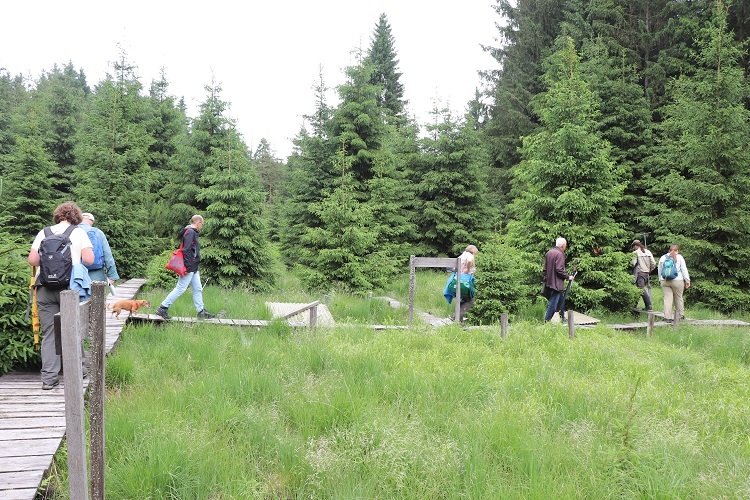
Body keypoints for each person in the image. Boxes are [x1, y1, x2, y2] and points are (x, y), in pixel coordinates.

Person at [28, 202, 94, 390]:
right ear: (77, 217)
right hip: (70, 289)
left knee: (49, 333)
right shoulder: (79, 232)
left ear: (58, 216)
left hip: (45, 289)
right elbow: (89, 260)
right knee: (74, 330)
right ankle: (79, 370)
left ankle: (49, 378)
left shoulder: (44, 232)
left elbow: (32, 260)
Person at [155, 215, 215, 320]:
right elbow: (186, 250)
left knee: (197, 288)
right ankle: (162, 308)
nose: (202, 226)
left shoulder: (191, 232)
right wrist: (187, 267)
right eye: (202, 224)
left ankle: (201, 311)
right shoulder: (191, 232)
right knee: (180, 288)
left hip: (194, 266)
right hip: (190, 266)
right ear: (198, 222)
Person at [79, 212, 120, 286]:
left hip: (76, 273)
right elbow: (108, 255)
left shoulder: (73, 231)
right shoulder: (97, 232)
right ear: (92, 221)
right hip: (97, 274)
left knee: (75, 296)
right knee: (97, 296)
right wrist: (112, 276)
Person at [543, 237, 575, 324]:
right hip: (557, 284)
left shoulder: (549, 253)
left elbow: (545, 269)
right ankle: (546, 322)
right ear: (563, 246)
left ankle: (562, 317)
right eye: (566, 245)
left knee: (561, 300)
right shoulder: (560, 254)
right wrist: (568, 277)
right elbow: (559, 270)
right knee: (553, 304)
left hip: (549, 282)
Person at [658, 244, 691, 321]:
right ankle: (680, 316)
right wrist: (687, 280)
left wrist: (660, 279)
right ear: (677, 250)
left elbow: (659, 269)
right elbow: (684, 269)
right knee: (678, 297)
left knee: (667, 298)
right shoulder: (679, 257)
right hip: (677, 280)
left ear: (669, 250)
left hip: (665, 280)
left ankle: (667, 317)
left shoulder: (663, 257)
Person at [631, 239, 656, 311]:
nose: (633, 248)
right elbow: (653, 264)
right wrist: (649, 270)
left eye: (633, 246)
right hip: (646, 274)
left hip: (639, 273)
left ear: (636, 245)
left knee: (641, 289)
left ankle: (649, 305)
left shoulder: (635, 253)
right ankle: (634, 305)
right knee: (639, 289)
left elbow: (632, 264)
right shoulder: (648, 252)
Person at [458, 244, 478, 322]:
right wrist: (467, 269)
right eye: (476, 252)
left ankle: (459, 320)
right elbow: (469, 261)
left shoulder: (462, 255)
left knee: (463, 299)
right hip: (466, 280)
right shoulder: (470, 255)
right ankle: (456, 316)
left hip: (459, 279)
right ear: (473, 250)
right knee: (470, 300)